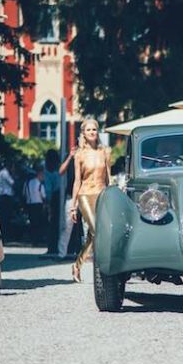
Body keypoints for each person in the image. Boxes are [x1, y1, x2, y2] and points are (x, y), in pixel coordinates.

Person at [70, 118, 110, 282]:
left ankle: (77, 265)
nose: (92, 132)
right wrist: (73, 206)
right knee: (96, 231)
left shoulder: (105, 152)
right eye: (89, 130)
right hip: (85, 194)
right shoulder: (79, 154)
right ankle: (96, 266)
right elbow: (77, 181)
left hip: (101, 193)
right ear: (83, 134)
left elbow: (109, 177)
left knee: (93, 235)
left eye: (94, 129)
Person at [57, 146, 80, 260]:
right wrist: (70, 156)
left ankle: (88, 254)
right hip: (71, 195)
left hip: (85, 194)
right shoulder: (71, 156)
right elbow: (61, 171)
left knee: (87, 226)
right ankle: (62, 253)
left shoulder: (90, 155)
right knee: (67, 225)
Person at [44, 149, 61, 256]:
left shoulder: (49, 172)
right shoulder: (58, 170)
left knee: (52, 224)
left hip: (54, 198)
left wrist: (47, 202)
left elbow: (49, 189)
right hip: (59, 196)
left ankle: (52, 247)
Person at [24, 166, 46, 246]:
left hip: (30, 204)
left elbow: (24, 193)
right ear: (39, 175)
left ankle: (32, 239)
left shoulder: (28, 182)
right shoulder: (40, 184)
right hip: (38, 205)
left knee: (32, 222)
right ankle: (37, 240)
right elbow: (43, 195)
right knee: (39, 223)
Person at [0, 161, 16, 240]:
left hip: (3, 196)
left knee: (5, 217)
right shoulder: (5, 173)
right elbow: (12, 182)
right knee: (5, 217)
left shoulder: (2, 173)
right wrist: (13, 174)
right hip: (5, 196)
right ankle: (5, 236)